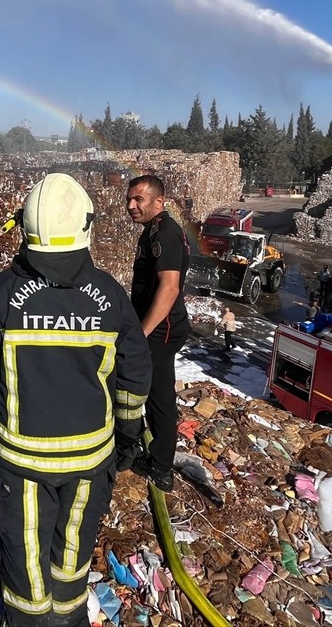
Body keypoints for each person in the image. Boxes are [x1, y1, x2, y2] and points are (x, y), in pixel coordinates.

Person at [0, 173, 152, 627]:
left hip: (20, 466)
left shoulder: (0, 295)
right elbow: (134, 374)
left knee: (26, 563)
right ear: (85, 228)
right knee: (72, 555)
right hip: (90, 462)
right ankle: (70, 617)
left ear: (25, 227)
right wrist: (128, 433)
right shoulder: (110, 295)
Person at [125, 174, 190, 493]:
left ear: (158, 202)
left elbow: (169, 287)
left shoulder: (165, 232)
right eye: (129, 199)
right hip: (159, 329)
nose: (131, 205)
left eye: (138, 199)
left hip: (160, 331)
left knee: (138, 387)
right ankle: (160, 463)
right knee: (158, 393)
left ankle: (142, 456)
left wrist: (141, 334)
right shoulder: (154, 230)